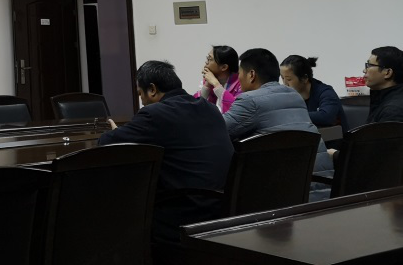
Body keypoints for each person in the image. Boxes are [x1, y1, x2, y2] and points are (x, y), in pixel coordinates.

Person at [99, 60, 232, 242]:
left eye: (140, 94)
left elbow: (106, 143)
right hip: (222, 210)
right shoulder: (209, 108)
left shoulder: (155, 114)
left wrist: (117, 133)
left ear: (152, 89)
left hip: (185, 216)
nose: (142, 102)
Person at [224, 48, 332, 172]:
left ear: (251, 75)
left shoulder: (249, 100)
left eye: (239, 73)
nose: (238, 78)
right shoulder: (294, 95)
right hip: (321, 179)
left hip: (287, 182)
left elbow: (218, 130)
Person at [280, 55, 346, 127]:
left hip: (332, 134)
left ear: (304, 78)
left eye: (289, 79)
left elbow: (326, 117)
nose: (285, 84)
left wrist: (295, 116)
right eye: (282, 78)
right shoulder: (290, 96)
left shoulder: (326, 92)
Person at [194, 45, 241, 113]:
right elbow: (195, 106)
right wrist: (207, 85)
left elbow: (236, 110)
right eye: (207, 58)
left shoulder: (241, 84)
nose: (206, 63)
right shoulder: (209, 81)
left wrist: (216, 84)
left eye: (210, 59)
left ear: (224, 67)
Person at [365, 45, 403, 123]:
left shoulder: (392, 111)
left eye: (369, 65)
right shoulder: (387, 99)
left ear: (388, 72)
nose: (364, 70)